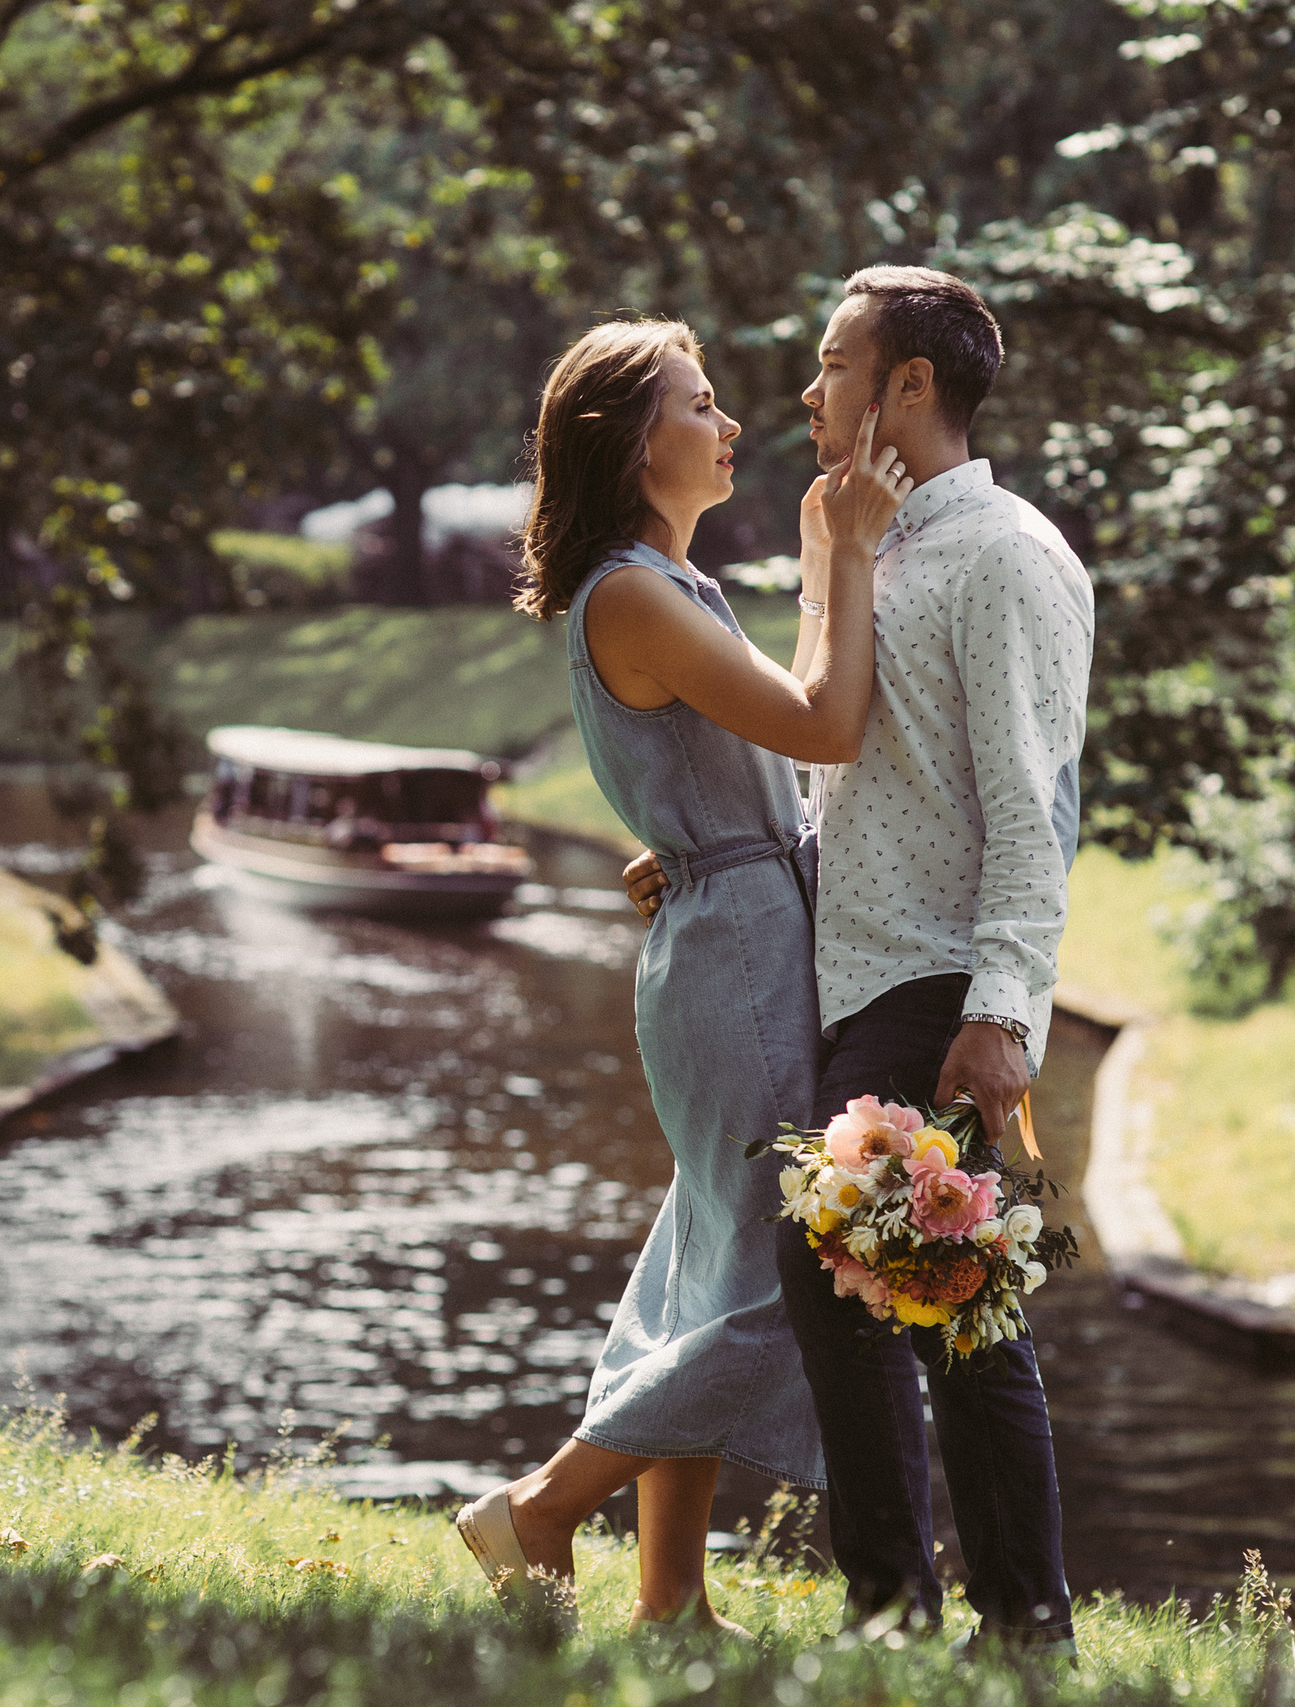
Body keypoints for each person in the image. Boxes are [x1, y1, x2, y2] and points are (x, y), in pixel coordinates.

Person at [628, 269, 1094, 1656]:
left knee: (949, 1309)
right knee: (877, 1297)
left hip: (944, 990)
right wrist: (708, 856)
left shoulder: (1007, 554)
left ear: (908, 388)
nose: (808, 391)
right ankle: (920, 1615)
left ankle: (998, 1628)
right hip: (858, 979)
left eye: (834, 365)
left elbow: (1032, 804)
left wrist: (1003, 1010)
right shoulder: (874, 544)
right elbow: (854, 790)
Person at [452, 317, 912, 1631]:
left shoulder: (664, 585)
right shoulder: (637, 591)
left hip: (733, 933)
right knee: (784, 1273)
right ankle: (543, 1506)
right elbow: (826, 722)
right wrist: (852, 555)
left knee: (713, 1272)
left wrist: (694, 858)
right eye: (700, 406)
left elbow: (742, 778)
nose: (730, 426)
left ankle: (669, 1605)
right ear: (630, 441)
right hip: (741, 962)